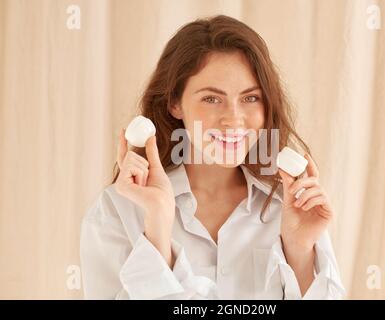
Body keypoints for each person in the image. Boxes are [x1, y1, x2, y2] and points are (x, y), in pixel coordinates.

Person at [80, 15, 345, 299]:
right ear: (174, 103)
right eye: (211, 99)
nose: (233, 120)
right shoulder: (117, 211)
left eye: (250, 98)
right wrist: (157, 234)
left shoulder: (289, 209)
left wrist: (300, 254)